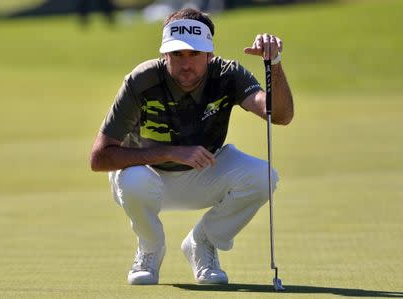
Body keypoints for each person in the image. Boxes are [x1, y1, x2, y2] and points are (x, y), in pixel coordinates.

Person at [90, 7, 293, 285]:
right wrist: (171, 152)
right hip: (149, 179)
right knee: (133, 178)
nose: (186, 64)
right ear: (165, 54)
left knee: (263, 176)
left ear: (209, 54)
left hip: (203, 173)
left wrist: (275, 62)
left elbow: (280, 115)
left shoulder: (228, 74)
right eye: (177, 54)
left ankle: (203, 243)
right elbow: (99, 158)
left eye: (195, 54)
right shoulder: (141, 80)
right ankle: (150, 248)